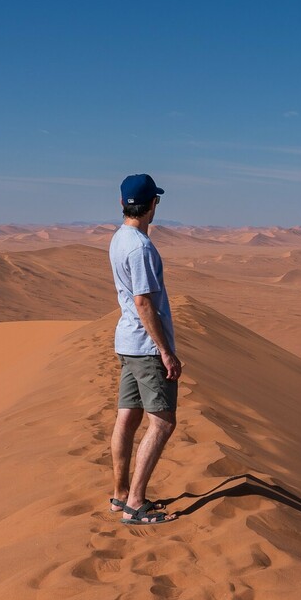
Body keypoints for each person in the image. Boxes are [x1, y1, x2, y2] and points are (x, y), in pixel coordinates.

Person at [108, 173, 180, 525]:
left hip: (127, 342)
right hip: (145, 346)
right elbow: (143, 303)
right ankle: (135, 502)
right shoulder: (141, 247)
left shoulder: (119, 239)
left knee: (128, 417)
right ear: (153, 204)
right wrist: (165, 351)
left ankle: (120, 495)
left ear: (123, 204)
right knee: (163, 423)